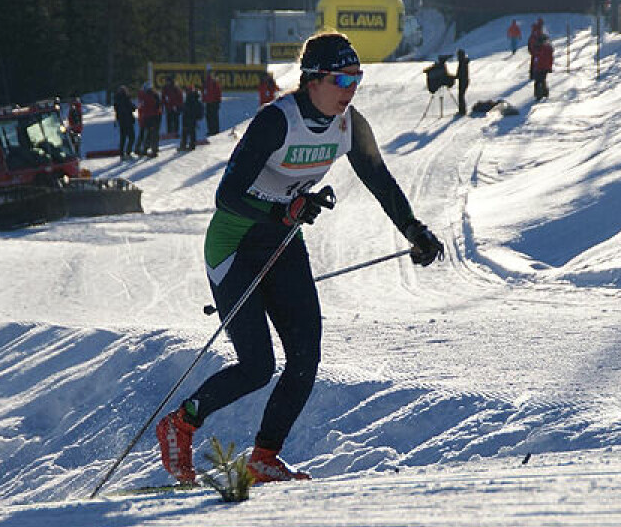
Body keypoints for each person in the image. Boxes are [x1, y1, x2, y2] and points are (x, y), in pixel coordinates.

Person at [155, 31, 445, 485]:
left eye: (357, 79)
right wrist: (282, 209)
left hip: (284, 241)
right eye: (342, 80)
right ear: (313, 79)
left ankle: (264, 457)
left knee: (305, 357)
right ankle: (180, 424)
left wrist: (414, 230)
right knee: (256, 367)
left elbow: (380, 181)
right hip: (235, 243)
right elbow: (227, 196)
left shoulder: (350, 124)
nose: (351, 90)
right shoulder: (276, 121)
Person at [113, 85, 136, 160]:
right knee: (132, 137)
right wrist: (134, 107)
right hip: (128, 120)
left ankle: (122, 154)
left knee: (123, 137)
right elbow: (131, 108)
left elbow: (116, 110)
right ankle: (128, 152)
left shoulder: (117, 99)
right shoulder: (126, 98)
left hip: (121, 120)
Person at [180, 85, 202, 151]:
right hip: (190, 117)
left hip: (189, 117)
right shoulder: (193, 97)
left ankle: (189, 145)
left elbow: (189, 108)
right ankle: (186, 145)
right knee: (189, 131)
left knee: (189, 131)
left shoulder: (191, 98)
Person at [202, 65, 222, 136]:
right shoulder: (206, 81)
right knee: (209, 116)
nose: (208, 73)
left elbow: (218, 91)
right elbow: (204, 91)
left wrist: (218, 100)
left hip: (214, 102)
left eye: (209, 72)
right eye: (208, 72)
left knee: (214, 117)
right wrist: (204, 99)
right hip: (208, 102)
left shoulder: (214, 81)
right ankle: (211, 130)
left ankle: (215, 130)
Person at [532, 34, 554, 101]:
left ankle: (539, 95)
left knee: (538, 81)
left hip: (539, 66)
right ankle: (545, 93)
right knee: (542, 80)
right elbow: (550, 59)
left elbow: (536, 56)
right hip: (545, 67)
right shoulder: (549, 48)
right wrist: (550, 67)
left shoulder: (538, 47)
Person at [455, 49, 469, 116]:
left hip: (463, 80)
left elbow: (461, 73)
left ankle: (462, 111)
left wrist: (456, 76)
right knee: (461, 95)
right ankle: (462, 110)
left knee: (461, 95)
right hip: (463, 80)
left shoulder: (462, 62)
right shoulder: (463, 62)